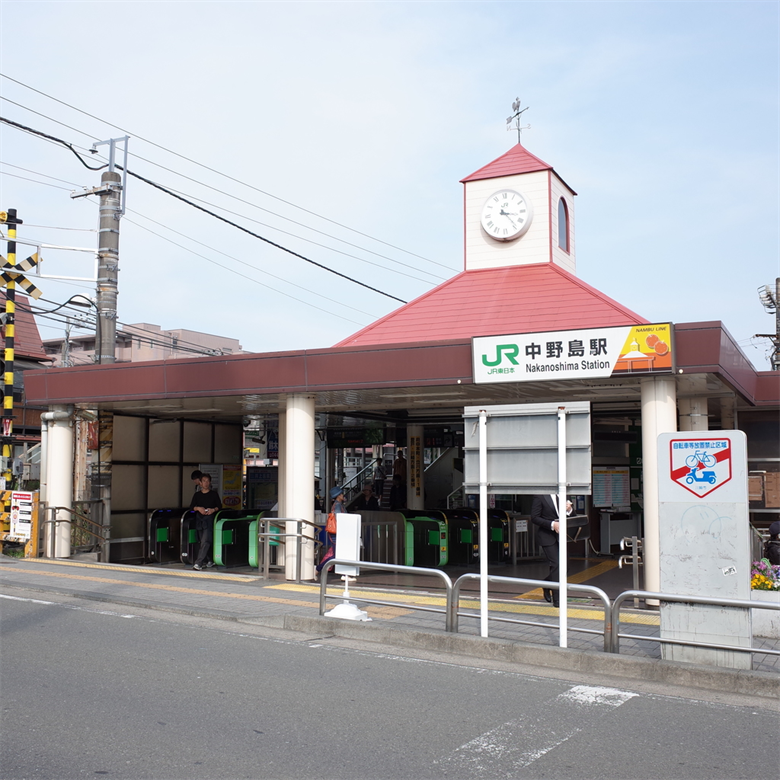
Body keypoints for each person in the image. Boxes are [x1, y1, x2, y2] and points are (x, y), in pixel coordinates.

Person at [530, 494, 573, 607]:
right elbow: (534, 517)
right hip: (547, 536)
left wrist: (569, 510)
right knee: (556, 565)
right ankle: (557, 600)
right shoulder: (540, 496)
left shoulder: (565, 494)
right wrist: (552, 524)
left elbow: (573, 516)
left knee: (566, 566)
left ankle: (547, 583)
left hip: (562, 537)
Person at [190, 473, 221, 571]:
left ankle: (198, 563)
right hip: (199, 520)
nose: (206, 483)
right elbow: (191, 507)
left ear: (210, 482)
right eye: (204, 481)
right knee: (202, 541)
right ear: (200, 483)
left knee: (205, 541)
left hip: (209, 520)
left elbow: (219, 506)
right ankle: (210, 560)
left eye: (208, 481)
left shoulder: (214, 494)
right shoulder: (197, 495)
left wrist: (213, 510)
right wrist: (198, 508)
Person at [316, 486, 345, 575]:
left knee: (338, 553)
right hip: (337, 533)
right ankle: (318, 569)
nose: (343, 495)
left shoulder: (336, 505)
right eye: (341, 494)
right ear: (338, 496)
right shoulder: (338, 505)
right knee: (336, 554)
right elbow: (339, 518)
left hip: (336, 533)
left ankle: (345, 574)